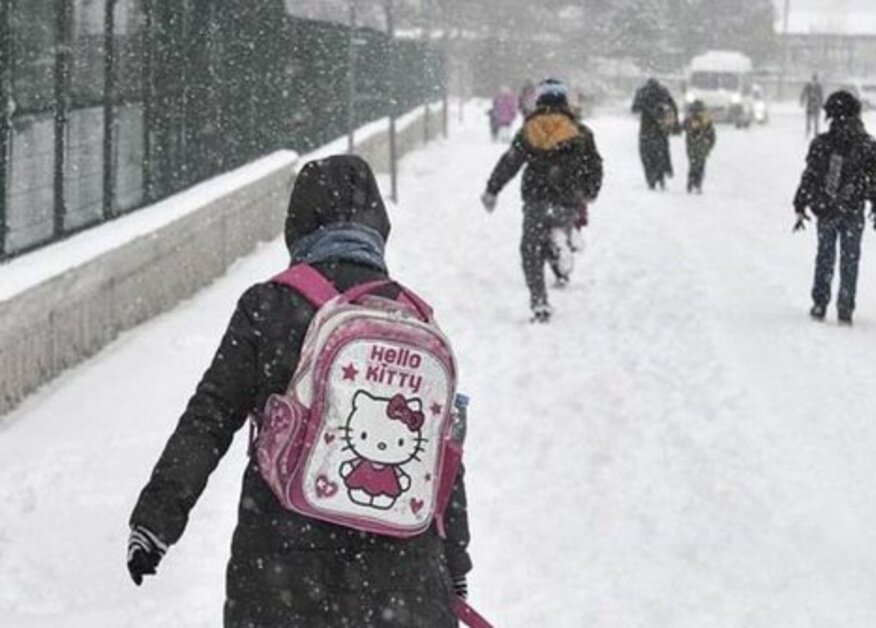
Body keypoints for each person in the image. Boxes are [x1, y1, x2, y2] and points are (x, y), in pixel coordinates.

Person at [126, 155, 472, 626]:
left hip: (283, 565)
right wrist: (454, 566)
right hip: (401, 573)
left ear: (299, 225)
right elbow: (442, 456)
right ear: (377, 226)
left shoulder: (267, 307)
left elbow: (209, 418)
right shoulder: (411, 318)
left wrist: (156, 519)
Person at [482, 79, 604, 323]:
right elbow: (594, 166)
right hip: (568, 200)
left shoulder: (529, 130)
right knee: (557, 230)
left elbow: (510, 162)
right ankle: (562, 244)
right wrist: (590, 191)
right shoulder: (581, 132)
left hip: (536, 199)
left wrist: (492, 190)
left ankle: (539, 301)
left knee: (531, 250)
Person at [792, 91, 876, 325]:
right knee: (850, 259)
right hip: (854, 208)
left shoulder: (822, 143)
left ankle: (820, 302)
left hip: (826, 207)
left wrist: (801, 202)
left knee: (825, 255)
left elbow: (810, 176)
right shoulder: (867, 143)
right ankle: (845, 305)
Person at [631, 78, 679, 190]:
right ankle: (662, 174)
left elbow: (634, 108)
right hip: (660, 127)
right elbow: (673, 106)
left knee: (646, 154)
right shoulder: (663, 92)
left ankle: (651, 178)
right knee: (661, 152)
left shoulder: (642, 92)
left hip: (646, 128)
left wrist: (645, 108)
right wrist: (674, 123)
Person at [682, 100, 717, 194]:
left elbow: (683, 127)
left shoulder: (693, 120)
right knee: (699, 166)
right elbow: (712, 136)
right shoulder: (705, 120)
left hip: (694, 147)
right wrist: (709, 146)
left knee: (694, 165)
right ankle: (696, 184)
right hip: (701, 147)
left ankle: (693, 183)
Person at [800, 74, 825, 138]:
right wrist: (802, 100)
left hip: (814, 105)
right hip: (811, 105)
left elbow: (821, 95)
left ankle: (813, 132)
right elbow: (804, 93)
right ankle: (809, 132)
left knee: (814, 120)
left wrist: (821, 103)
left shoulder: (817, 86)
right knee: (811, 120)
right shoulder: (810, 85)